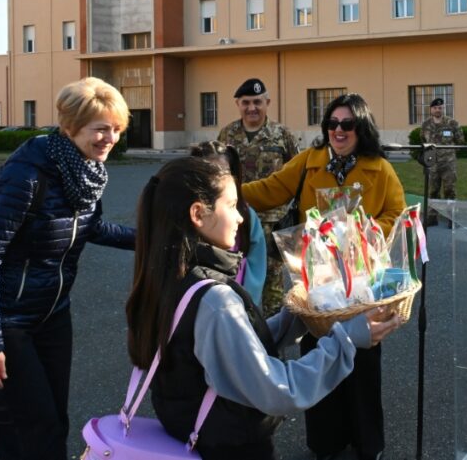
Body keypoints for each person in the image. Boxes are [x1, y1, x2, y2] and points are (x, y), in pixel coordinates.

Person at [126, 156, 401, 460]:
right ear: (198, 214)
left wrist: (294, 318)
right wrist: (347, 339)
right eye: (232, 206)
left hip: (197, 435)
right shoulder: (215, 301)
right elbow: (278, 389)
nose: (241, 218)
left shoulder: (167, 277)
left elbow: (228, 352)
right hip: (232, 447)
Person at [0, 77, 134, 460]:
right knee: (29, 429)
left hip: (53, 315)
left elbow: (91, 228)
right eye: (101, 129)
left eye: (117, 129)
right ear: (71, 127)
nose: (110, 138)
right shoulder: (27, 175)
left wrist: (153, 238)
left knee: (55, 420)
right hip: (9, 322)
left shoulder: (86, 173)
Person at [242, 92, 407, 460]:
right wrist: (226, 194)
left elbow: (395, 214)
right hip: (318, 280)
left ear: (361, 128)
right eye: (333, 123)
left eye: (347, 124)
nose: (338, 130)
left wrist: (359, 233)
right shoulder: (310, 161)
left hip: (362, 282)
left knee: (362, 360)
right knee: (318, 352)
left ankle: (366, 443)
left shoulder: (379, 168)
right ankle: (325, 441)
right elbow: (270, 189)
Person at [218, 77, 300, 317]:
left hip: (273, 223)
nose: (251, 108)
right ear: (238, 104)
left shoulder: (282, 134)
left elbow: (297, 173)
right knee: (236, 275)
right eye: (246, 102)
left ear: (267, 103)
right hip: (237, 221)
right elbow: (216, 174)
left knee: (273, 285)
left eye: (257, 102)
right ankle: (240, 327)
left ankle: (272, 336)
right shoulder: (227, 134)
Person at [189, 140, 268, 305]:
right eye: (210, 173)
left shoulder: (246, 215)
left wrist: (245, 301)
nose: (219, 180)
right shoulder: (188, 215)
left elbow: (257, 265)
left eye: (225, 173)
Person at [420, 97, 464, 221]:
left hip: (448, 164)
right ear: (431, 110)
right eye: (435, 108)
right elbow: (423, 140)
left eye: (440, 108)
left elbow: (460, 141)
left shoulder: (452, 123)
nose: (437, 110)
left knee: (450, 190)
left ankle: (451, 217)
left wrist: (449, 154)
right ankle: (432, 217)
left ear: (442, 108)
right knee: (433, 191)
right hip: (432, 163)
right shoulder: (425, 125)